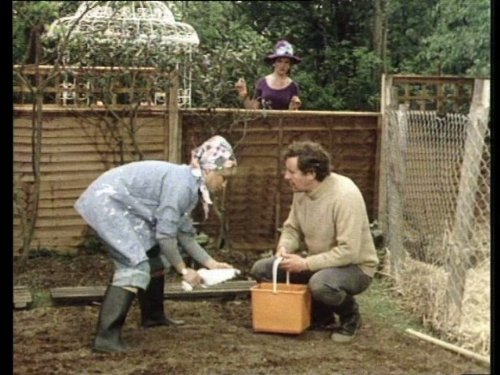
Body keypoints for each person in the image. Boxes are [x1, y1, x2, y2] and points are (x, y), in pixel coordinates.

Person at [74, 135, 237, 353]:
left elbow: (184, 234)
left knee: (154, 258)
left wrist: (211, 263)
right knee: (135, 264)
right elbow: (165, 236)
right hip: (107, 202)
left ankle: (153, 317)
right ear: (209, 169)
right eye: (223, 177)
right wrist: (184, 270)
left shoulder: (190, 184)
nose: (224, 184)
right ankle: (106, 337)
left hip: (123, 205)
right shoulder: (183, 185)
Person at [250, 141, 379, 342]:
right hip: (319, 262)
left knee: (320, 283)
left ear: (310, 173)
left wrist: (305, 264)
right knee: (263, 269)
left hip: (355, 268)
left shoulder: (345, 196)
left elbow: (349, 251)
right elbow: (292, 228)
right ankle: (320, 316)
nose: (286, 177)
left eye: (291, 172)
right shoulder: (301, 192)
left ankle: (350, 317)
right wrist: (284, 247)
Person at [235, 40, 302, 110]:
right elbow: (253, 110)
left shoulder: (293, 86)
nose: (283, 65)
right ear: (274, 63)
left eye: (286, 62)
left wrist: (293, 107)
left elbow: (295, 112)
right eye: (279, 61)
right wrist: (244, 95)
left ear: (290, 65)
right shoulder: (262, 82)